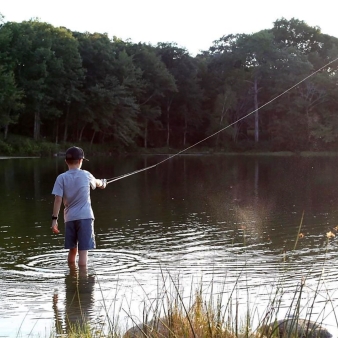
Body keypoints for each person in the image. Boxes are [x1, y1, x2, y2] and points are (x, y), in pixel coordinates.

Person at [51, 146, 106, 266]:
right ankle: (82, 280)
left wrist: (54, 220)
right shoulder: (86, 175)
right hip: (85, 217)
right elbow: (98, 183)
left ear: (66, 161)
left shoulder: (61, 178)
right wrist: (103, 183)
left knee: (72, 250)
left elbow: (57, 199)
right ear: (81, 161)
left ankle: (72, 275)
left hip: (69, 218)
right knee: (83, 252)